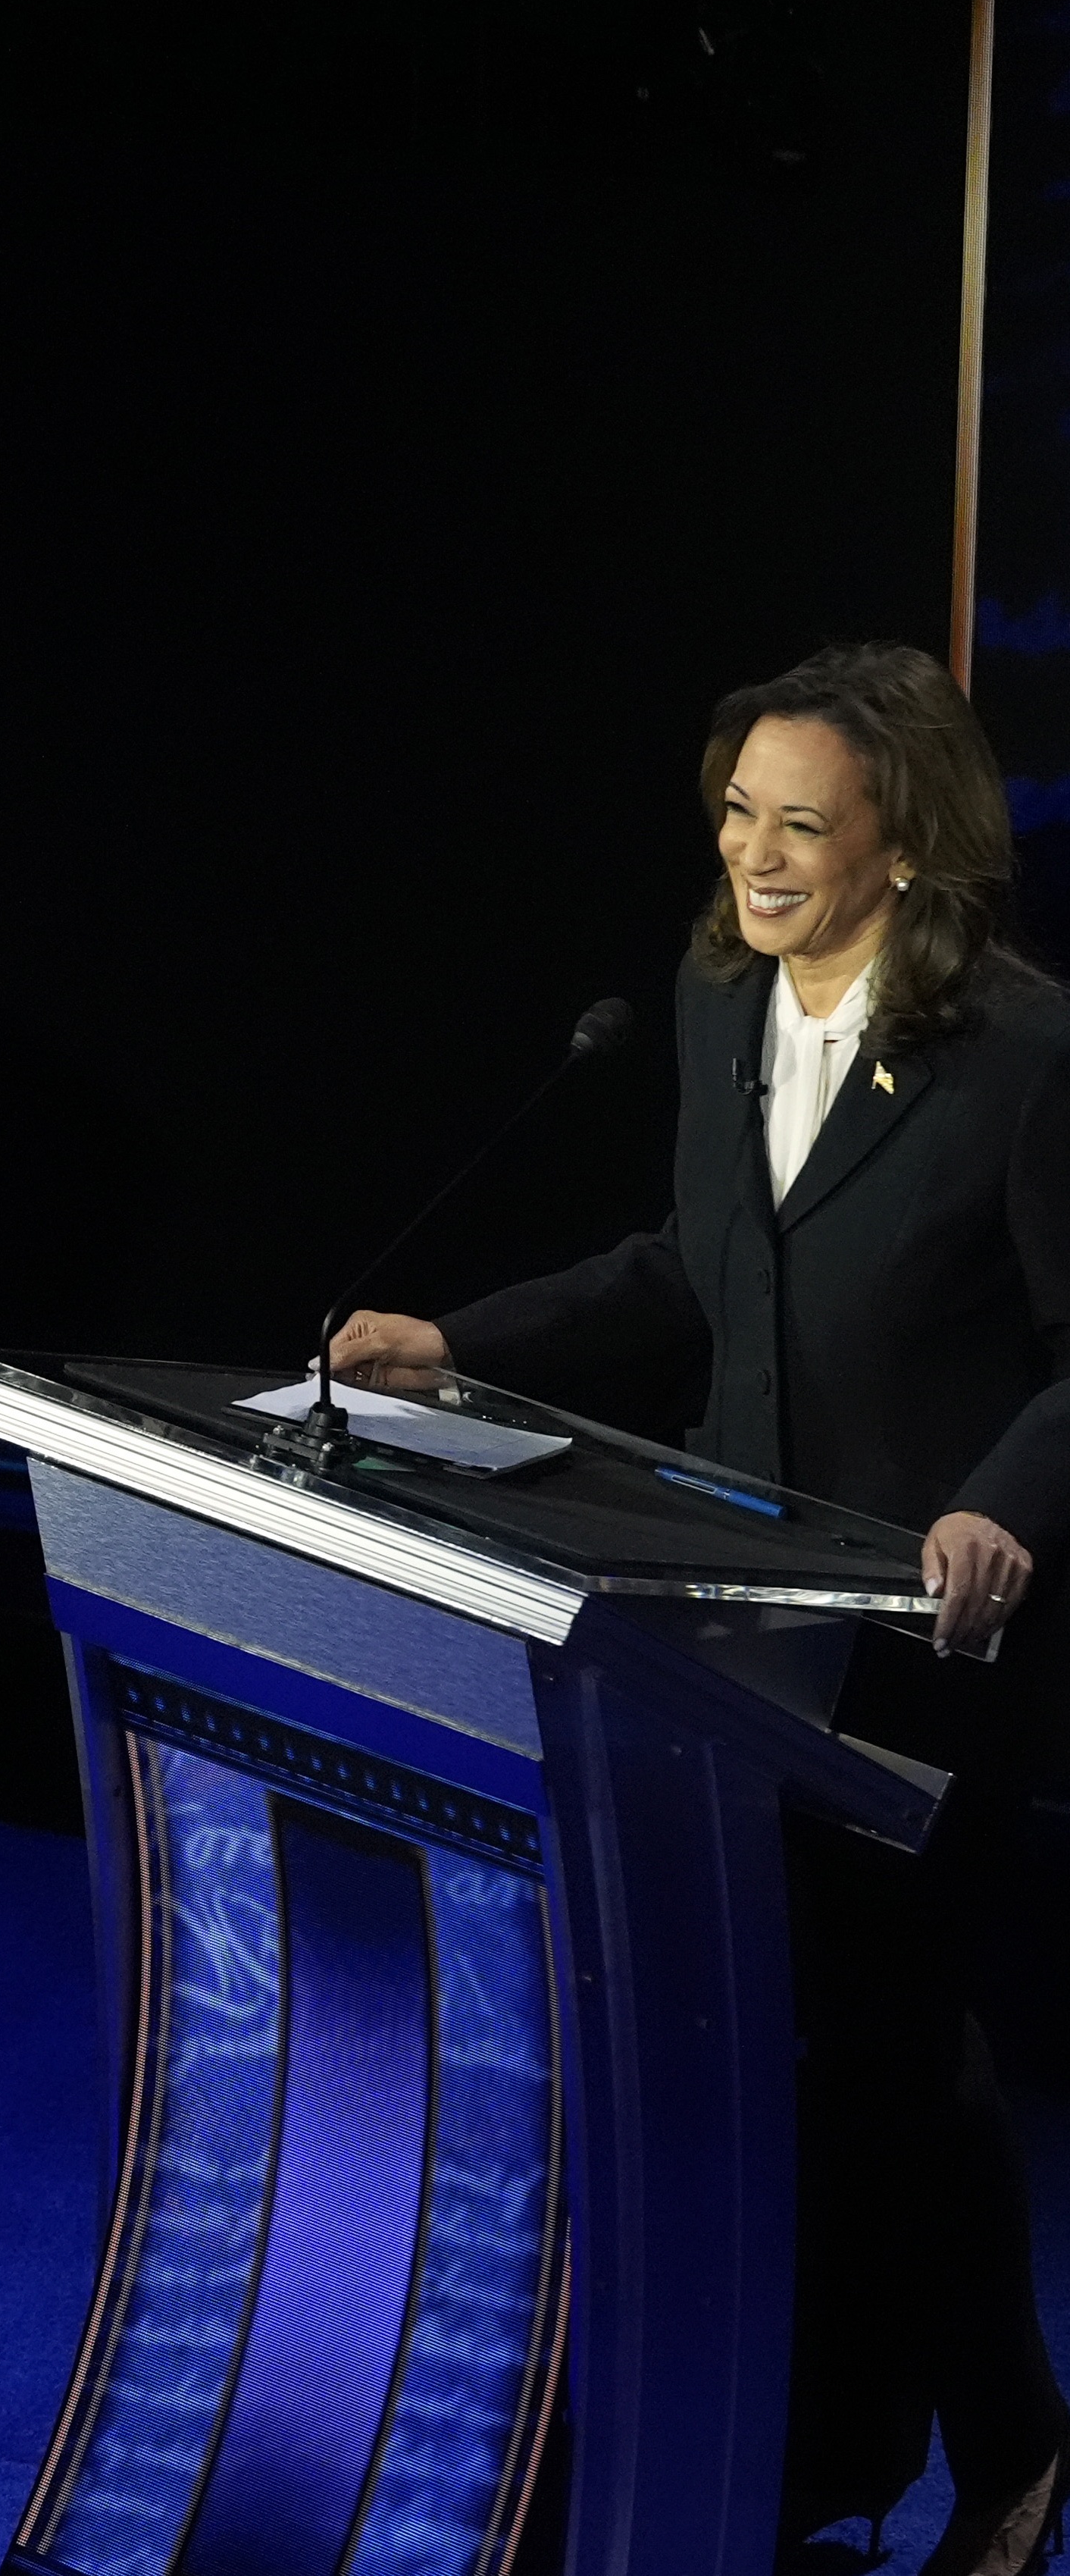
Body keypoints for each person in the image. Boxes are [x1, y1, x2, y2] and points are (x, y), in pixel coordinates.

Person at [333, 641, 1070, 2575]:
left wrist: (995, 1510)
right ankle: (811, 2464)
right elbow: (687, 1263)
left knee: (894, 2057)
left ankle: (1005, 2455)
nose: (752, 855)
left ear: (900, 845)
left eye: (798, 824)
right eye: (735, 810)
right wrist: (452, 1344)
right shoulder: (711, 995)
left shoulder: (1025, 1057)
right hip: (726, 1616)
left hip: (932, 1644)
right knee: (790, 2045)